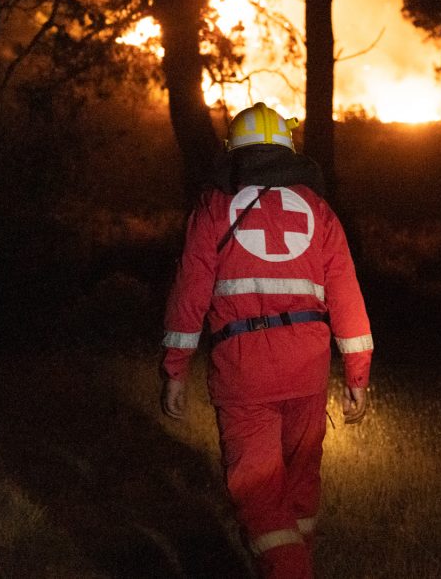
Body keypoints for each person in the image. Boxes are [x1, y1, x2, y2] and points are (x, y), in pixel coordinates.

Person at [160, 102, 373, 579]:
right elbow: (347, 295)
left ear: (232, 152)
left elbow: (189, 292)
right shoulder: (319, 210)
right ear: (289, 150)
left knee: (258, 498)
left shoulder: (215, 205)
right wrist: (357, 375)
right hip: (308, 370)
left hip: (244, 371)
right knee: (298, 493)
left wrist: (175, 369)